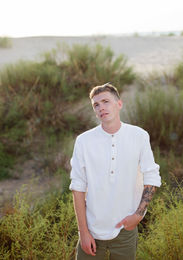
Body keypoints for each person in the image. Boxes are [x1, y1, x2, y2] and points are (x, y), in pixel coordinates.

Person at [69, 83, 161, 260]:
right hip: (92, 230)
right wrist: (83, 232)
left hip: (124, 230)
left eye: (106, 101)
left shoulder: (139, 136)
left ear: (119, 104)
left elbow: (152, 176)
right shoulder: (83, 141)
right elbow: (78, 187)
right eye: (96, 105)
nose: (101, 107)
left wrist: (138, 215)